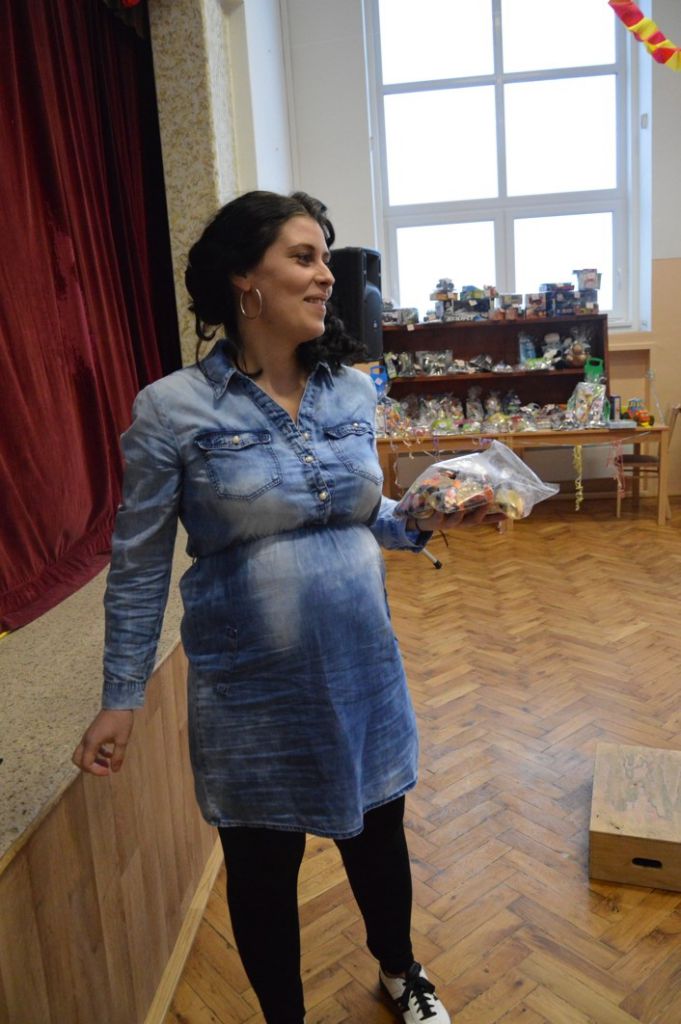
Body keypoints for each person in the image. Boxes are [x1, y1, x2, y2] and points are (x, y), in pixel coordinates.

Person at [72, 190, 504, 1024]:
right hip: (250, 690)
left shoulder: (351, 392)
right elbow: (138, 564)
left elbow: (358, 513)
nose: (325, 277)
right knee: (262, 867)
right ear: (245, 278)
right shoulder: (171, 409)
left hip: (363, 670)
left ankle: (400, 970)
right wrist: (122, 696)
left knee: (379, 837)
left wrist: (426, 516)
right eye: (303, 258)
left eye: (325, 260)